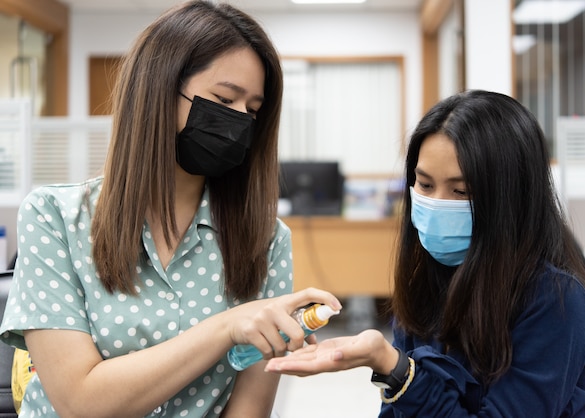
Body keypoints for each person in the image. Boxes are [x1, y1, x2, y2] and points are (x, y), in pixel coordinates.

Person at [0, 1, 341, 417]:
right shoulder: (54, 217)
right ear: (158, 91)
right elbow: (79, 402)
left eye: (252, 110)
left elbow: (249, 408)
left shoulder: (265, 239)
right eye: (223, 99)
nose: (238, 122)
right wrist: (225, 328)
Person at [266, 90, 585, 417]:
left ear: (510, 199)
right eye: (425, 185)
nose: (438, 202)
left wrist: (395, 368)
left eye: (461, 191)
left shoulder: (556, 302)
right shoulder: (425, 286)